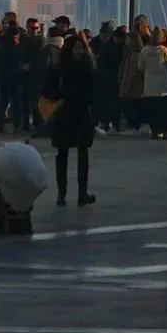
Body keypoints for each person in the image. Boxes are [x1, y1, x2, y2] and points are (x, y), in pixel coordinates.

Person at [45, 31, 97, 206]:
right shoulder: (59, 69)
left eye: (81, 48)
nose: (79, 52)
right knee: (63, 153)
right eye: (76, 48)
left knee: (83, 154)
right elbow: (46, 90)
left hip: (81, 113)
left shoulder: (87, 68)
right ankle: (62, 193)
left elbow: (94, 91)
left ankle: (82, 193)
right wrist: (63, 94)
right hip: (64, 114)